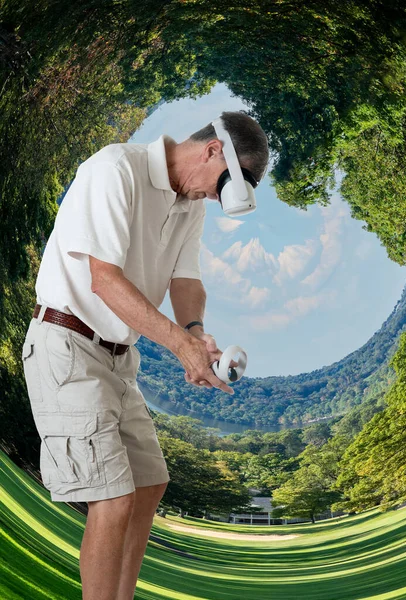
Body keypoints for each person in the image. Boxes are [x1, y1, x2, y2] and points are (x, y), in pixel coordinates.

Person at [20, 110, 269, 600]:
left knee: (149, 484)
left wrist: (197, 335)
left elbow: (186, 281)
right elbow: (104, 279)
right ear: (212, 150)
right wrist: (180, 346)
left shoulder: (189, 206)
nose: (214, 200)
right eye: (220, 187)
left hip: (118, 359)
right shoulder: (117, 169)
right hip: (67, 344)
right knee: (112, 498)